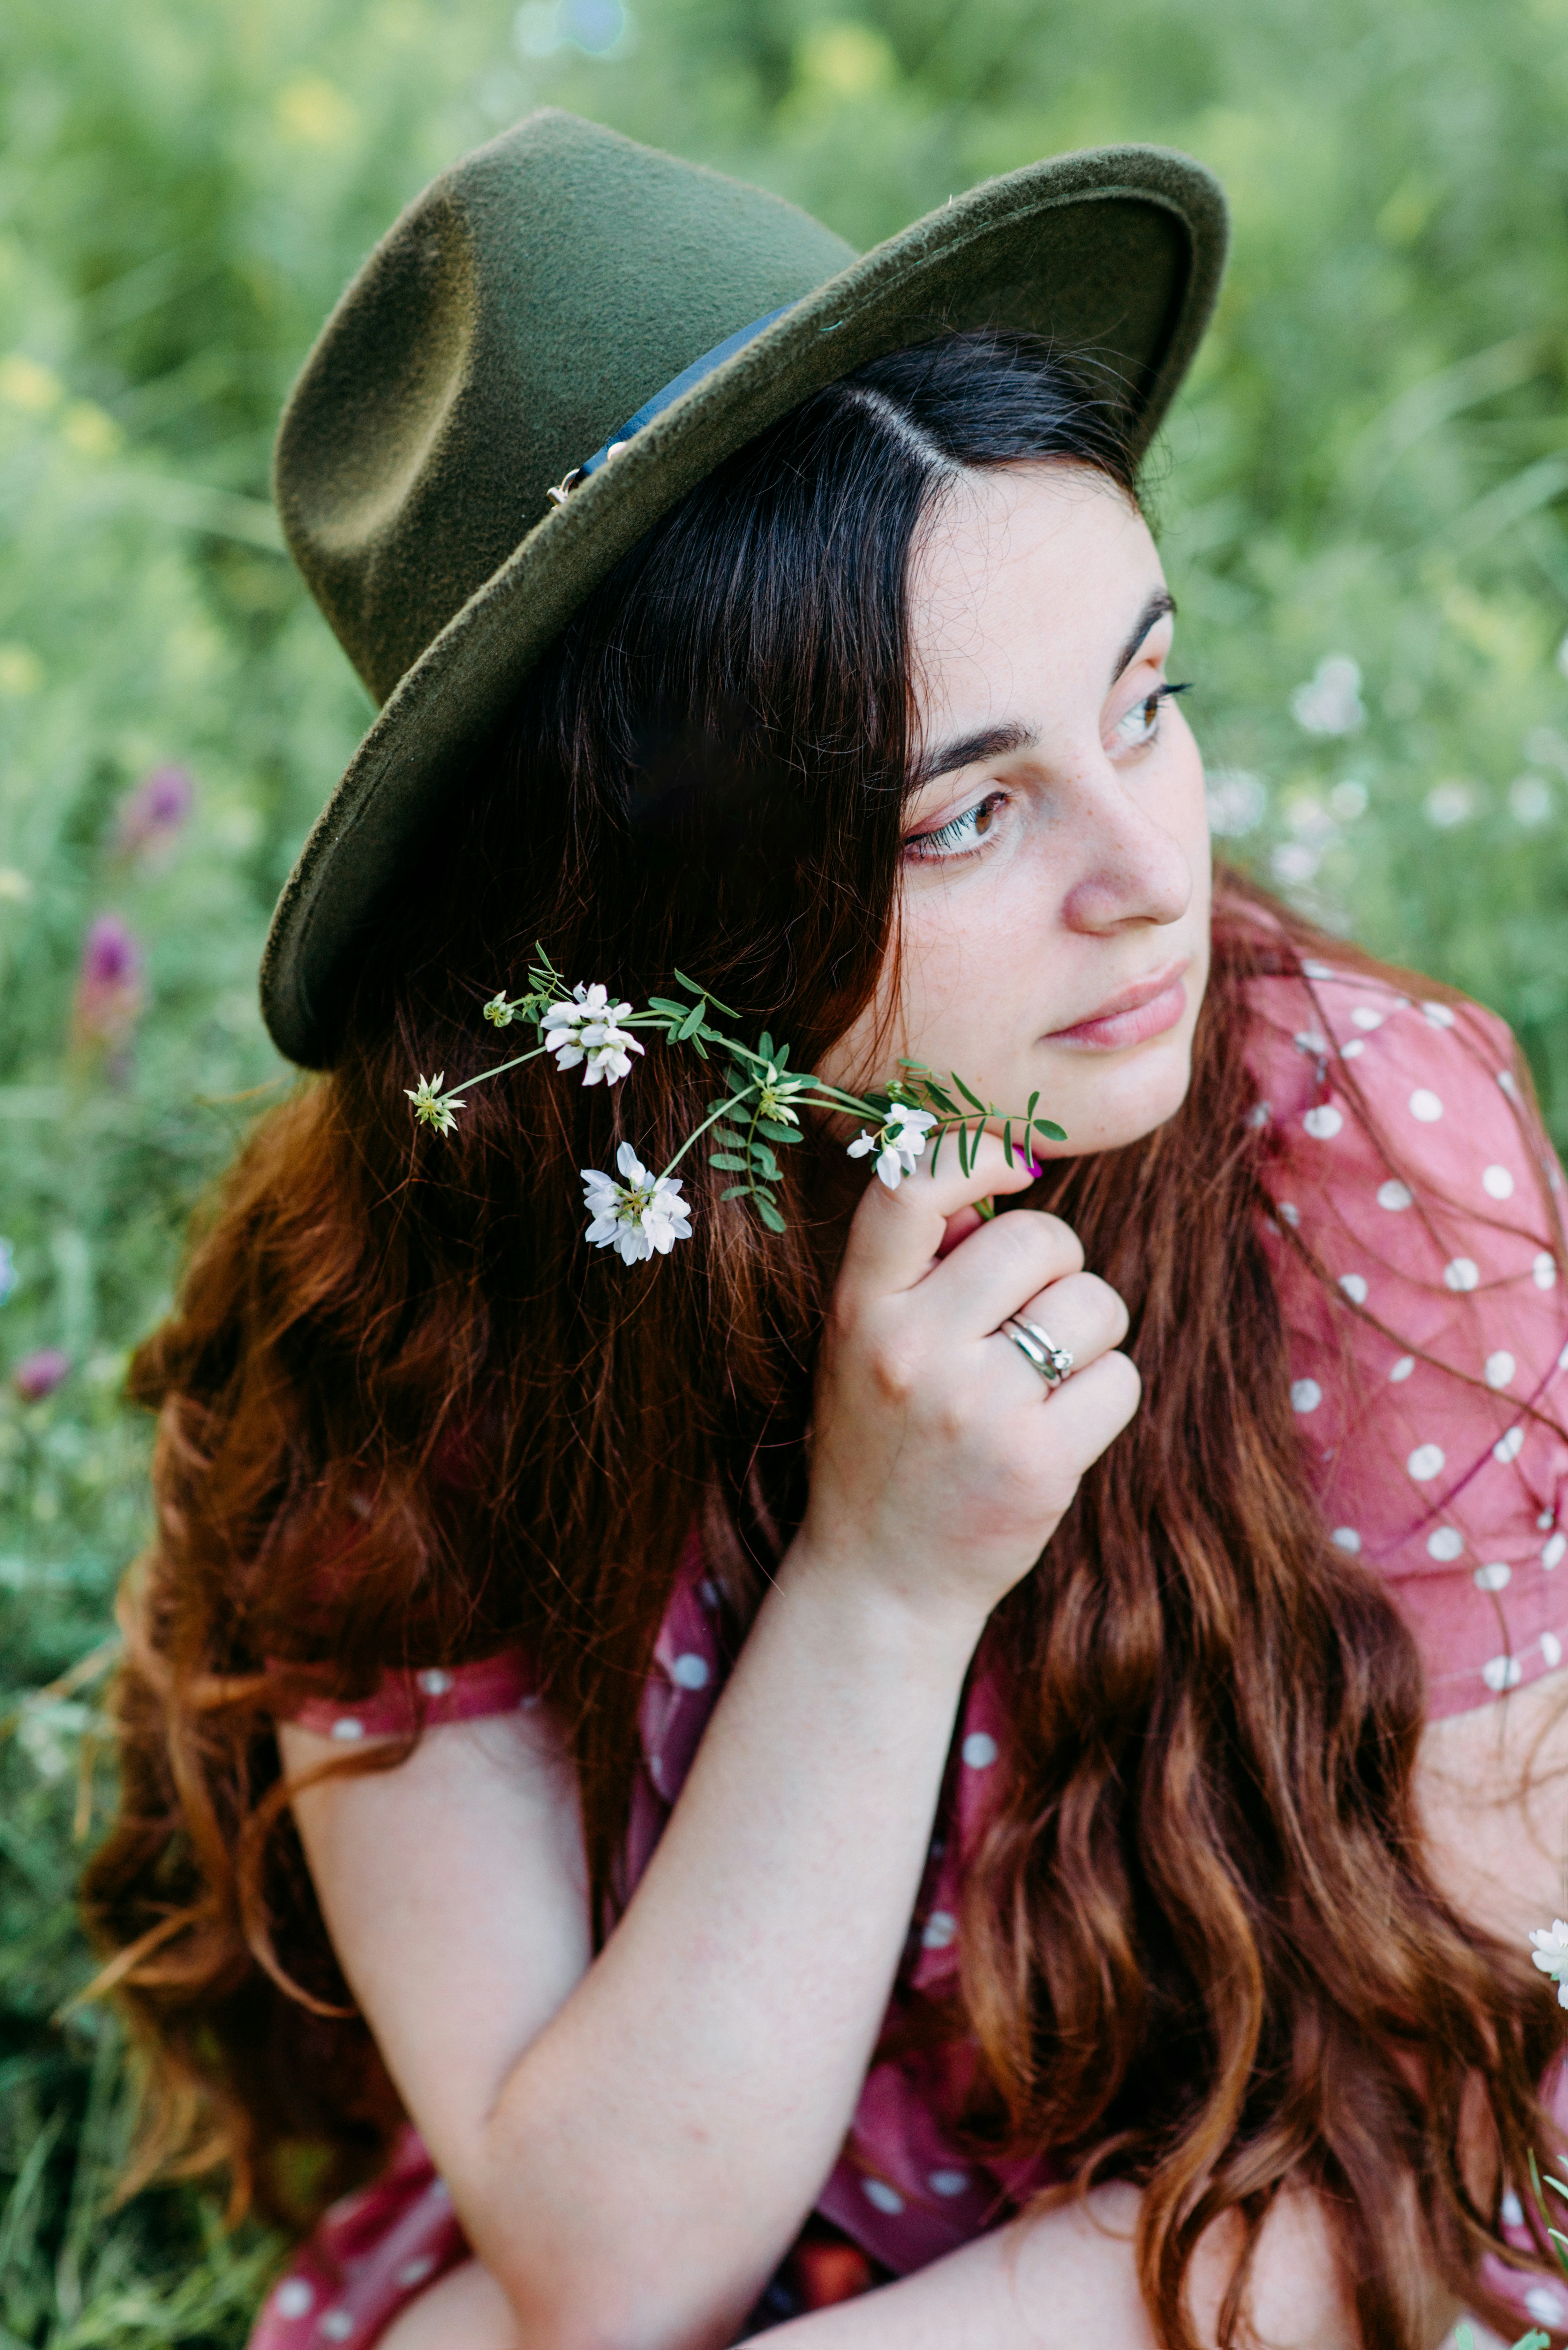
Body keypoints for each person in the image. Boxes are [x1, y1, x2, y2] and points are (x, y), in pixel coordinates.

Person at [84, 110, 1568, 2350]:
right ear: (652, 902)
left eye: (1145, 703)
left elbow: (1444, 2133)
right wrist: (887, 1579)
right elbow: (608, 2260)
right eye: (967, 811)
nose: (1152, 872)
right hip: (720, 2192)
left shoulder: (1348, 1147)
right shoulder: (414, 1310)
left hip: (1278, 2234)